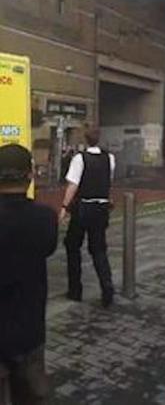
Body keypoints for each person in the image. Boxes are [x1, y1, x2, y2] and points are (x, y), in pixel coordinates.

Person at [0, 144, 58, 405]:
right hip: (30, 330)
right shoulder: (45, 218)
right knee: (31, 394)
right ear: (30, 175)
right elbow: (47, 249)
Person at [59, 127, 116, 307]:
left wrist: (64, 207)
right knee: (99, 248)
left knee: (72, 245)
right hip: (101, 208)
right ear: (100, 138)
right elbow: (108, 181)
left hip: (83, 207)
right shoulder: (110, 158)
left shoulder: (79, 158)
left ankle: (75, 290)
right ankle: (107, 288)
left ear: (86, 138)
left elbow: (73, 185)